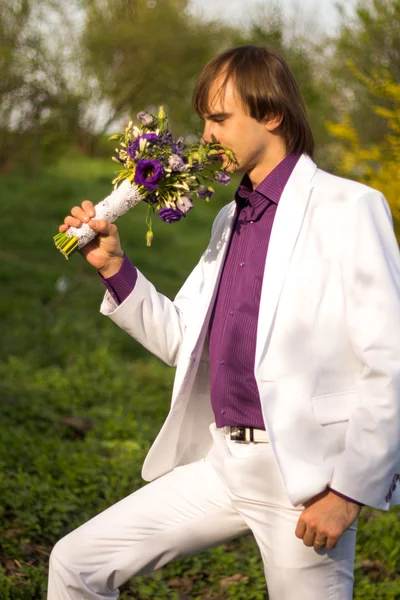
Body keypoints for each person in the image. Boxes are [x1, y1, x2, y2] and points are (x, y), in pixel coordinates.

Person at [48, 45, 400, 600]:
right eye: (204, 120)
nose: (206, 137)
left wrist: (348, 493)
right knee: (76, 564)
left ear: (272, 113)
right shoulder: (229, 218)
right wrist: (114, 266)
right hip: (224, 465)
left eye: (219, 119)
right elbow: (182, 341)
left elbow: (390, 361)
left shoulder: (349, 208)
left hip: (303, 484)